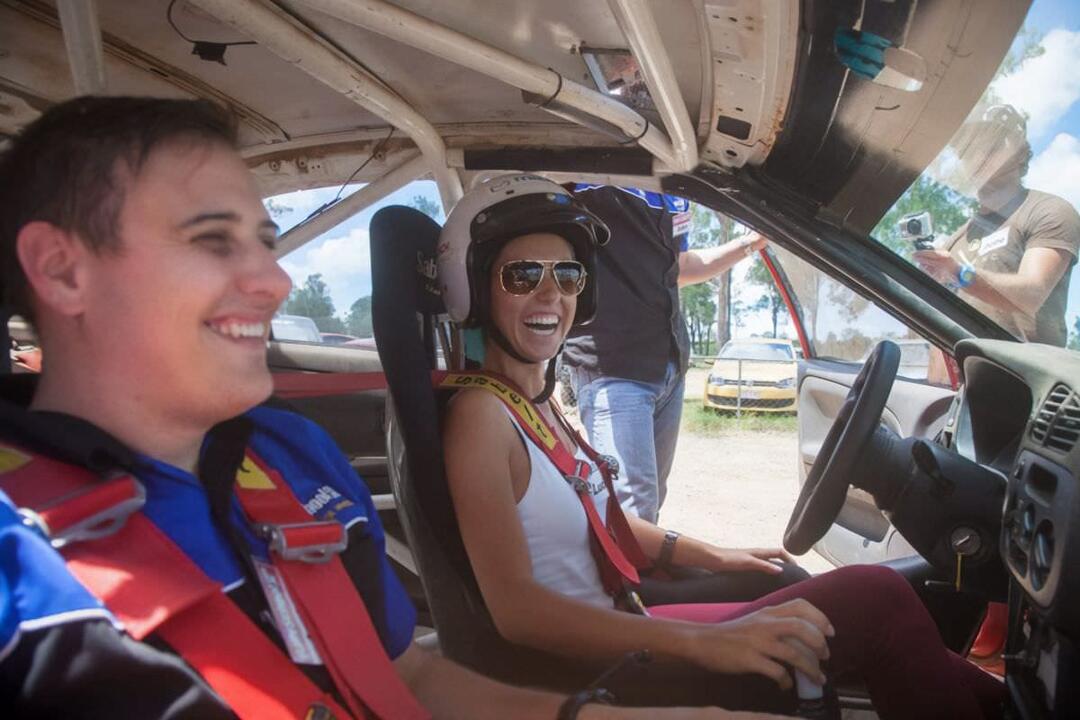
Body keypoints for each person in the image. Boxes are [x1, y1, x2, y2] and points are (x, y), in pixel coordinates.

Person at [0, 97, 757, 720]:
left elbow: (414, 680)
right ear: (63, 271)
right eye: (212, 239)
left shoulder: (290, 459)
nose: (273, 281)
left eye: (265, 242)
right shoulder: (18, 563)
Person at [439, 174, 1006, 718]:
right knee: (877, 597)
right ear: (476, 285)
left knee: (797, 582)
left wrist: (714, 553)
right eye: (522, 276)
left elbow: (599, 521)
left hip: (626, 621)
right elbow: (517, 613)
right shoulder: (481, 416)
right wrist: (699, 643)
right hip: (603, 669)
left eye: (568, 276)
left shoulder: (529, 402)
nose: (551, 294)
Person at [562, 184, 767, 525]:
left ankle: (640, 574)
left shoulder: (675, 186)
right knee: (631, 506)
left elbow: (681, 266)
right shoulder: (585, 175)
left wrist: (751, 242)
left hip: (669, 365)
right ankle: (623, 577)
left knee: (650, 501)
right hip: (613, 364)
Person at [914, 104, 1079, 346]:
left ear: (1021, 153)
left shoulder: (1047, 211)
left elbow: (1031, 295)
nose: (977, 154)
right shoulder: (958, 239)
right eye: (968, 148)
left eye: (992, 145)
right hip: (959, 380)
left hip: (1022, 378)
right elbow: (938, 325)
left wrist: (959, 274)